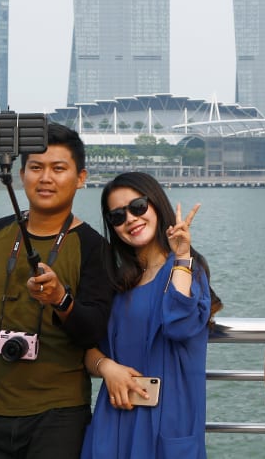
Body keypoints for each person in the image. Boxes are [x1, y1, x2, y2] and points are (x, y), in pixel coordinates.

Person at [0, 123, 114, 458]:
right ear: (20, 173)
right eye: (36, 168)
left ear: (81, 177)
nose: (46, 178)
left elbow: (94, 328)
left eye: (59, 169)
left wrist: (61, 299)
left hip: (60, 413)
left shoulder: (93, 246)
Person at [80, 171, 212, 459]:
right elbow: (87, 350)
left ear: (156, 205)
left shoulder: (189, 270)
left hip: (168, 423)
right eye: (117, 216)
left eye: (138, 207)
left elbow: (180, 326)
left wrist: (181, 258)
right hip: (115, 420)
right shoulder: (116, 281)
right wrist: (106, 368)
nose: (130, 218)